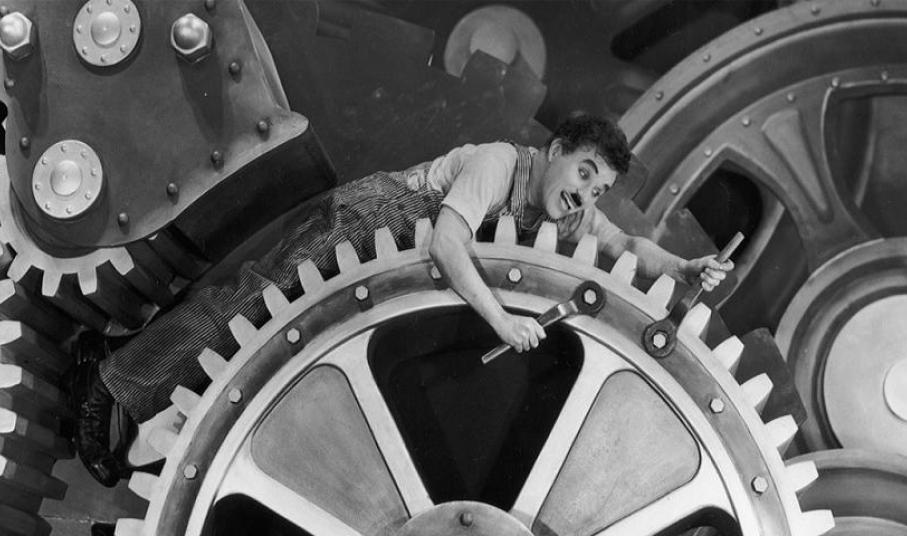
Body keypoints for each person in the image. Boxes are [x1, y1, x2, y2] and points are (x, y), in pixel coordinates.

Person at [72, 114, 732, 486]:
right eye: (583, 172)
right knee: (241, 314)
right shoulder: (499, 165)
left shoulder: (568, 209)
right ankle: (108, 385)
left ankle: (138, 398)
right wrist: (502, 320)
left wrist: (683, 267)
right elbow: (447, 242)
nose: (585, 194)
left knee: (255, 353)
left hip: (379, 267)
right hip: (360, 228)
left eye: (598, 189)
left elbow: (626, 246)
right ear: (555, 152)